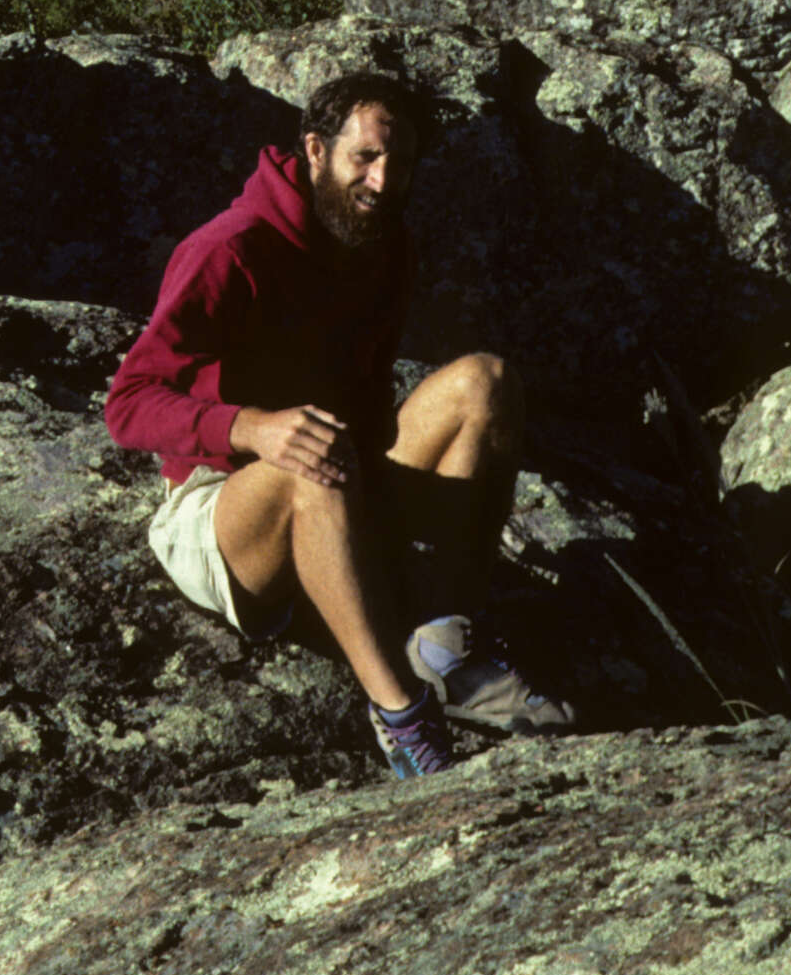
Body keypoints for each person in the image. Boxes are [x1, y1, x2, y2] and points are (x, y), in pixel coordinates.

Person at [105, 68, 571, 778]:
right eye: (366, 157)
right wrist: (252, 428)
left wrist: (378, 519)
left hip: (338, 473)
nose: (384, 182)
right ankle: (402, 717)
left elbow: (369, 394)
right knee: (309, 457)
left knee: (485, 384)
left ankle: (444, 644)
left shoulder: (383, 245)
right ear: (315, 150)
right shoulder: (228, 250)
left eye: (401, 164)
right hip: (222, 506)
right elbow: (129, 403)